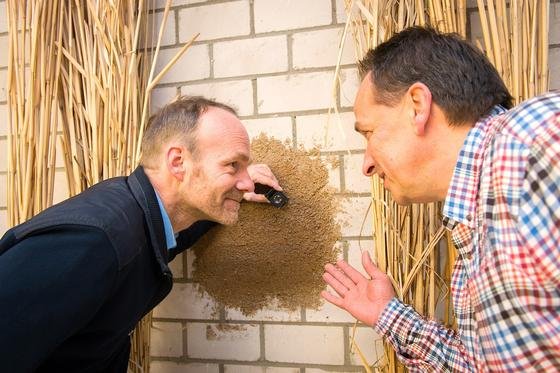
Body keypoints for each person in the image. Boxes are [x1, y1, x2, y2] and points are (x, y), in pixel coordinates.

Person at [322, 26, 560, 371]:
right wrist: (388, 316)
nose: (367, 164)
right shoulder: (472, 238)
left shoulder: (531, 142)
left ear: (418, 106)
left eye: (370, 133)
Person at [0, 96, 283, 372]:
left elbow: (175, 233)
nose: (247, 183)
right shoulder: (93, 241)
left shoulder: (146, 221)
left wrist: (232, 194)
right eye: (233, 165)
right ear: (177, 162)